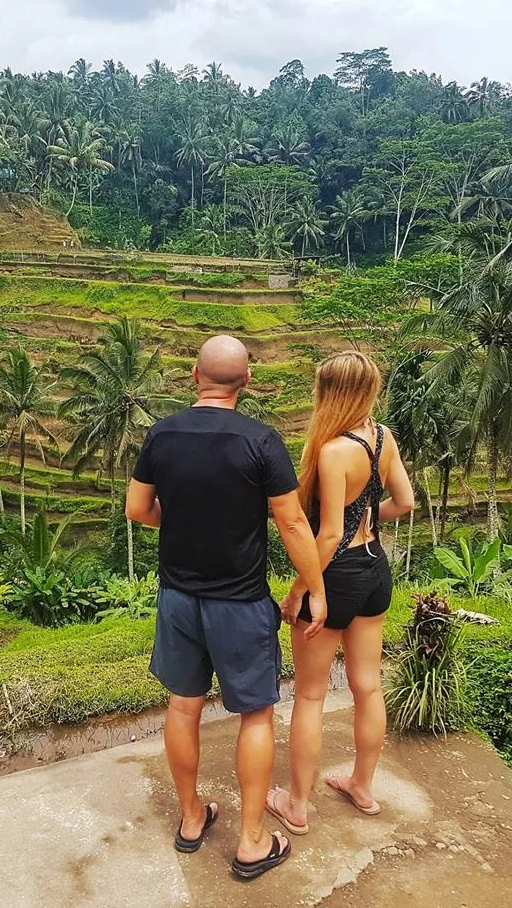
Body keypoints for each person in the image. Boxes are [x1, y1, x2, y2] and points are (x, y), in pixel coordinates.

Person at [126, 335, 327, 880]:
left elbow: (137, 509)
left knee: (183, 706)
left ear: (195, 375)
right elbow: (290, 523)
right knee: (255, 714)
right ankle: (253, 841)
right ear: (247, 383)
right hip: (239, 604)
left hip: (177, 600)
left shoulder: (161, 435)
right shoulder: (261, 440)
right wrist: (314, 586)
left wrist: (188, 520)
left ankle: (192, 819)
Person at [268, 351, 415, 835]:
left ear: (327, 392)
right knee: (367, 685)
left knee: (309, 696)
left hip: (335, 574)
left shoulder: (332, 451)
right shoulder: (382, 437)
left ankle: (297, 804)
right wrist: (369, 521)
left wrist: (298, 591)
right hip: (375, 568)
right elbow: (405, 501)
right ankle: (362, 785)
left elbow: (327, 536)